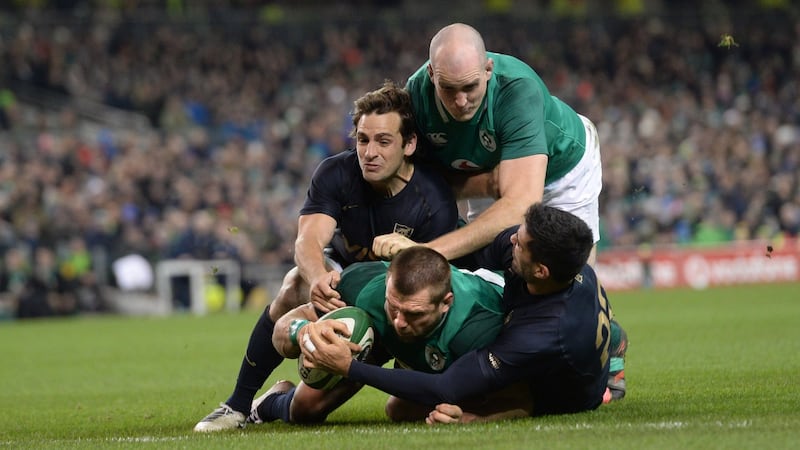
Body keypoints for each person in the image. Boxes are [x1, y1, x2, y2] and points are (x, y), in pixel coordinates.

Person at [193, 80, 460, 432]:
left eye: (383, 141)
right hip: (343, 284)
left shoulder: (434, 200)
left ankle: (279, 395)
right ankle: (238, 404)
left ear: (409, 144)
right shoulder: (336, 172)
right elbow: (307, 240)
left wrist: (408, 253)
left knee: (385, 409)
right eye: (363, 140)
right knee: (293, 285)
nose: (370, 152)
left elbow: (436, 279)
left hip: (396, 305)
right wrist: (318, 277)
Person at [302, 203, 615, 423]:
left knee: (407, 409)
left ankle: (604, 380)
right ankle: (615, 345)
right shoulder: (557, 265)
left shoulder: (545, 332)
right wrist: (418, 252)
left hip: (563, 392)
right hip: (577, 329)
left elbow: (445, 388)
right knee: (404, 406)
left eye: (521, 244)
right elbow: (472, 258)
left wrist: (349, 368)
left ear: (541, 271)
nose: (513, 240)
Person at [372, 23, 603, 267]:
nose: (460, 101)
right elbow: (414, 180)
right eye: (448, 89)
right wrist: (482, 183)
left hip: (564, 167)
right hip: (487, 170)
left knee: (572, 274)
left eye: (470, 87)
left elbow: (520, 203)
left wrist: (429, 251)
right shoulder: (416, 96)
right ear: (431, 74)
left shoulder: (517, 90)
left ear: (488, 70)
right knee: (495, 274)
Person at [248, 245, 506, 424]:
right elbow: (282, 328)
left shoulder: (479, 327)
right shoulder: (364, 284)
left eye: (414, 314)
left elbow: (519, 399)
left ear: (446, 302)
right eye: (393, 307)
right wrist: (302, 331)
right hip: (386, 339)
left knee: (400, 409)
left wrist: (476, 418)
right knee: (305, 410)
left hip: (457, 356)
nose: (399, 322)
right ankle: (272, 400)